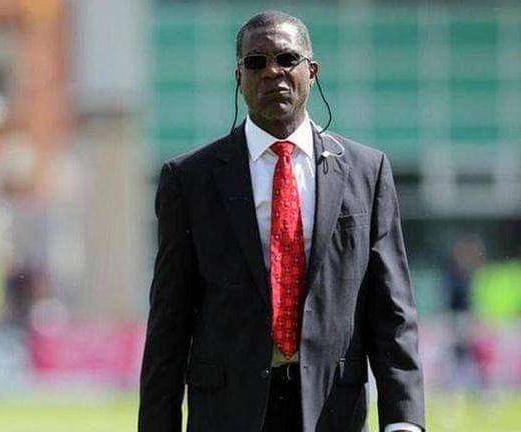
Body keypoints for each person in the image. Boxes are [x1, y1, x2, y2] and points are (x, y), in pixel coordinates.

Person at [138, 11, 425, 432]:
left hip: (333, 410)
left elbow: (392, 310)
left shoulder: (368, 171)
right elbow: (169, 322)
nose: (273, 72)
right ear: (239, 77)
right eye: (257, 62)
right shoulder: (190, 179)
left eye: (288, 59)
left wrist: (404, 422)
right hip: (227, 412)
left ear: (312, 70)